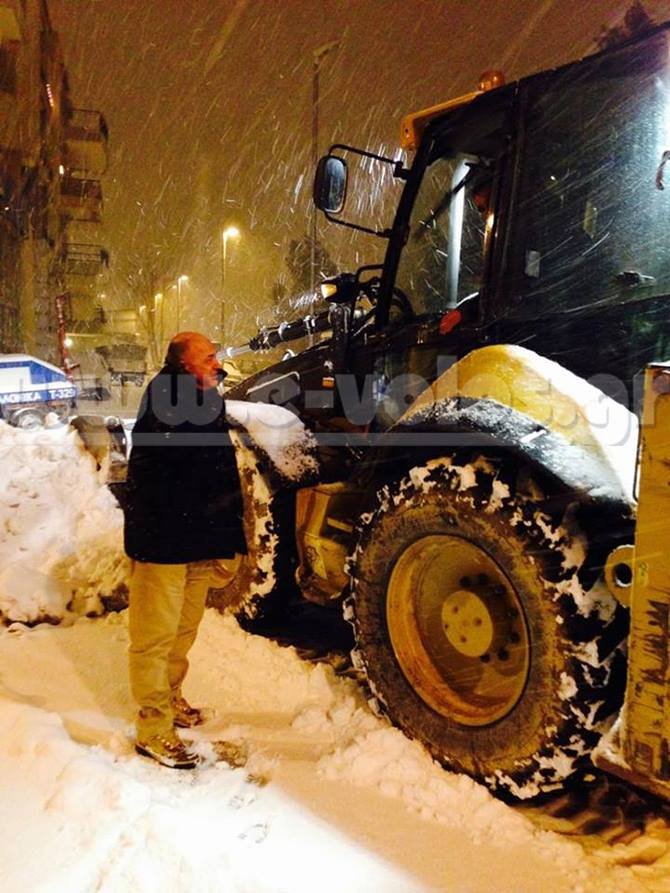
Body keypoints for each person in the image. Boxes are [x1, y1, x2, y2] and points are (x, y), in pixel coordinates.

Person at [123, 331, 246, 769]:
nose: (217, 363)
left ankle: (172, 698)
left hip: (196, 536)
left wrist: (227, 534)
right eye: (209, 357)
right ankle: (152, 728)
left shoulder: (204, 397)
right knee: (154, 636)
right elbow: (171, 469)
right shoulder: (165, 399)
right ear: (183, 363)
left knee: (183, 629)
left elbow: (217, 474)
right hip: (163, 538)